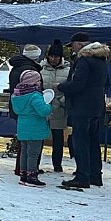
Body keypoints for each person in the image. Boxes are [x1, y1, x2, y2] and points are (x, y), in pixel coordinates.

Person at [57, 40, 109, 189]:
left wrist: (61, 87)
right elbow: (106, 83)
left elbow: (78, 83)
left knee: (80, 141)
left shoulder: (84, 61)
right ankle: (95, 175)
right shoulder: (102, 61)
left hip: (82, 106)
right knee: (93, 141)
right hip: (96, 106)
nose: (72, 48)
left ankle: (82, 176)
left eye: (73, 44)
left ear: (80, 45)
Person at [11, 70, 52, 187]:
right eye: (38, 80)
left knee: (24, 152)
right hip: (35, 128)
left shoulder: (17, 95)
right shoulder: (35, 95)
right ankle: (31, 176)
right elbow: (43, 111)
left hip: (22, 127)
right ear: (33, 82)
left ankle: (23, 175)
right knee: (33, 153)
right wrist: (48, 105)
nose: (40, 83)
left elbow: (17, 110)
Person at [7, 44, 42, 176]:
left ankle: (23, 168)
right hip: (31, 111)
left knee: (24, 141)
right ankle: (30, 169)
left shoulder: (17, 67)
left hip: (19, 108)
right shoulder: (30, 71)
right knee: (31, 144)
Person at [40, 40, 70, 172]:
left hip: (59, 108)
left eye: (56, 56)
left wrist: (62, 100)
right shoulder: (40, 68)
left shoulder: (68, 70)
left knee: (58, 139)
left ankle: (57, 164)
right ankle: (34, 163)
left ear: (61, 57)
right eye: (51, 56)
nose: (53, 59)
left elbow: (71, 88)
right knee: (39, 136)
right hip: (42, 107)